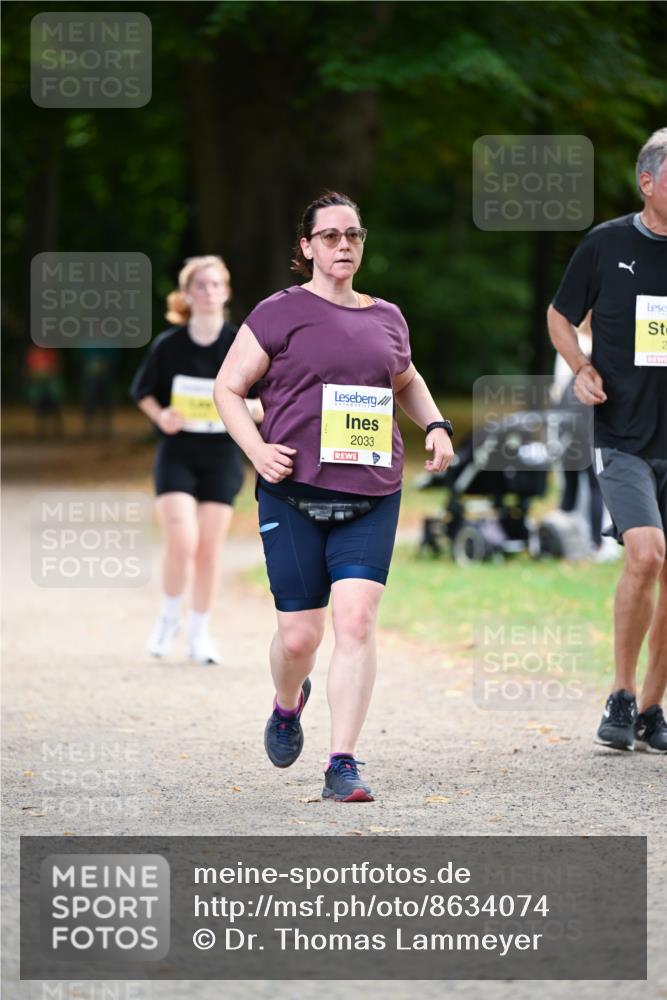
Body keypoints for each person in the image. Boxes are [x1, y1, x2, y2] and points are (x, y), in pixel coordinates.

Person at [214, 191, 454, 801]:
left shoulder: (387, 317)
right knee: (300, 638)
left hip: (372, 493)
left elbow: (407, 379)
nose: (344, 245)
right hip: (291, 493)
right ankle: (288, 703)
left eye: (353, 235)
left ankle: (342, 761)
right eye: (330, 236)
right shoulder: (278, 312)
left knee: (356, 619)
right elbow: (228, 389)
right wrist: (257, 451)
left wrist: (437, 425)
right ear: (307, 247)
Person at [547, 127, 667, 753]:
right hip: (623, 433)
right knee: (646, 554)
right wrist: (581, 367)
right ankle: (620, 694)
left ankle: (651, 707)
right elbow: (560, 315)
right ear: (648, 182)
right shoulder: (607, 244)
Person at [130, 256, 261, 665]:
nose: (208, 292)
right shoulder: (168, 345)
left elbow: (264, 403)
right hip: (177, 456)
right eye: (200, 286)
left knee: (208, 550)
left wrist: (249, 411)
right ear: (186, 294)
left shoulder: (241, 344)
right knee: (182, 542)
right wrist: (161, 415)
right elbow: (144, 392)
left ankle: (200, 632)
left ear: (227, 291)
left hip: (222, 457)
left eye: (215, 285)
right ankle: (169, 617)